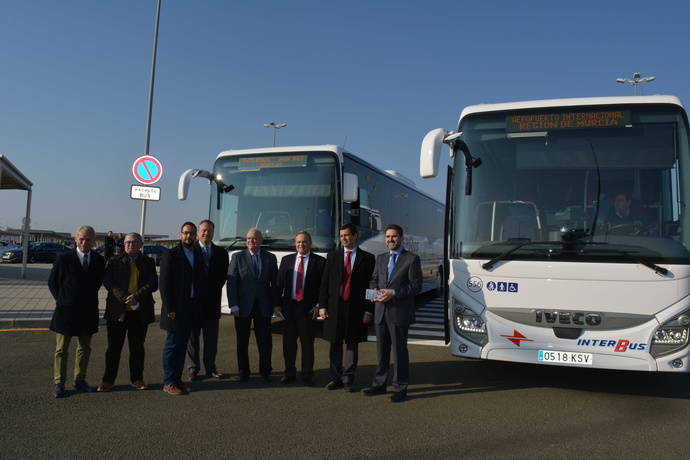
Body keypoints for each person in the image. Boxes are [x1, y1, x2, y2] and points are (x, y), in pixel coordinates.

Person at [362, 224, 422, 402]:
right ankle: (379, 384)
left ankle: (400, 387)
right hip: (380, 311)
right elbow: (374, 279)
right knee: (381, 351)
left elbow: (416, 286)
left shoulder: (411, 259)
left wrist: (394, 293)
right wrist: (374, 292)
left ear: (401, 238)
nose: (390, 240)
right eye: (388, 237)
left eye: (394, 236)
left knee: (399, 352)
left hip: (399, 312)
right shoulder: (380, 258)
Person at [48, 225, 105, 398]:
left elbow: (97, 283)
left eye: (88, 239)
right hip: (66, 311)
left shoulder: (99, 260)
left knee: (84, 348)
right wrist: (63, 300)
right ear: (75, 239)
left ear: (94, 241)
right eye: (81, 238)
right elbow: (53, 283)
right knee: (61, 350)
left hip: (88, 311)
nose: (84, 242)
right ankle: (59, 383)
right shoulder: (63, 258)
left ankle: (79, 379)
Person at [97, 232, 158, 392]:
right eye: (127, 242)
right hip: (118, 312)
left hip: (139, 311)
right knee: (113, 348)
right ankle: (108, 380)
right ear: (123, 245)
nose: (130, 245)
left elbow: (153, 283)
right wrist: (124, 297)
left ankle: (137, 379)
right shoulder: (114, 261)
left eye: (134, 242)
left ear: (141, 245)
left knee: (137, 348)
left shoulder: (148, 262)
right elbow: (108, 282)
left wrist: (136, 297)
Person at [318, 223, 375, 392]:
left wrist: (368, 310)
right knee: (334, 343)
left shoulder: (368, 258)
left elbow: (371, 287)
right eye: (341, 236)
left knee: (352, 344)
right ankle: (335, 378)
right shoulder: (333, 257)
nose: (343, 238)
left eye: (347, 235)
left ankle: (348, 378)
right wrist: (322, 306)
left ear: (355, 236)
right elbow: (324, 284)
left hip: (356, 308)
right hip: (335, 307)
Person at [227, 228, 279, 382]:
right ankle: (243, 371)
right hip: (242, 307)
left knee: (265, 341)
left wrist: (276, 304)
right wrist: (233, 305)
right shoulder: (237, 257)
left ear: (261, 241)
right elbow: (231, 283)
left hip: (264, 306)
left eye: (255, 239)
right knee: (242, 341)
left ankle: (265, 370)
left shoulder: (270, 258)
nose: (251, 241)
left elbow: (275, 284)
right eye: (248, 238)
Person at [159, 222, 204, 396]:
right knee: (172, 346)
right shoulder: (171, 255)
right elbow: (164, 284)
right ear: (180, 235)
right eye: (186, 233)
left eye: (192, 233)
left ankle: (177, 380)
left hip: (190, 308)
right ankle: (169, 382)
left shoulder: (197, 254)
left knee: (182, 346)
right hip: (174, 309)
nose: (189, 236)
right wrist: (169, 307)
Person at [276, 231, 326, 386]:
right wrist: (277, 305)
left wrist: (319, 305)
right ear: (295, 244)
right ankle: (289, 373)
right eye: (298, 242)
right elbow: (279, 284)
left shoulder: (319, 262)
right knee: (288, 344)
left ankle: (307, 374)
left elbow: (323, 288)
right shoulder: (286, 260)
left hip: (308, 309)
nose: (301, 245)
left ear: (310, 243)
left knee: (307, 344)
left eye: (304, 242)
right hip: (289, 308)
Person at [186, 220, 229, 380]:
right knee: (192, 340)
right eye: (203, 231)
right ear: (198, 232)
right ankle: (193, 369)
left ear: (213, 233)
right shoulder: (189, 250)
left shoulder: (221, 253)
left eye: (209, 231)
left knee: (211, 341)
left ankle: (210, 368)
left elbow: (222, 277)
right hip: (193, 304)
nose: (206, 234)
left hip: (212, 303)